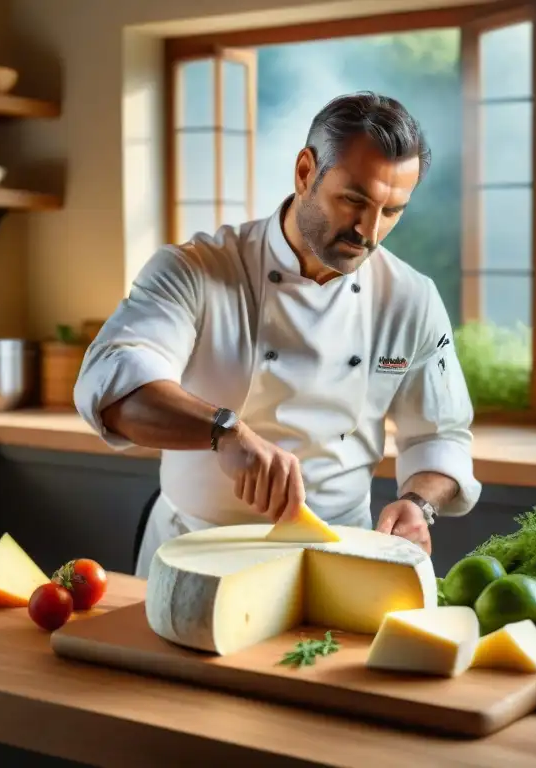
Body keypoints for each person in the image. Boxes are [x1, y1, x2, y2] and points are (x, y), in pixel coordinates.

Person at [75, 91, 482, 578]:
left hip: (337, 558)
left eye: (392, 211)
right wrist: (224, 432)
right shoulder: (195, 270)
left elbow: (441, 435)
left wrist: (419, 503)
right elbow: (114, 385)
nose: (369, 231)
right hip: (197, 555)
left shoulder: (410, 299)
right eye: (354, 200)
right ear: (306, 171)